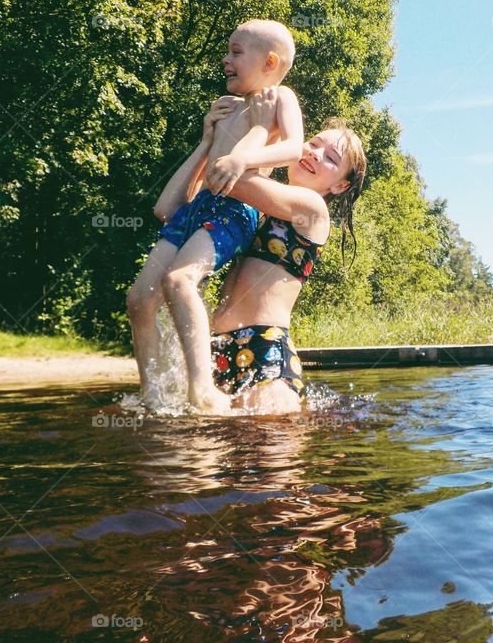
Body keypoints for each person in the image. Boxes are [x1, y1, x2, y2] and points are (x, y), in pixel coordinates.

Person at [151, 87, 367, 415]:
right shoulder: (258, 209)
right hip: (221, 352)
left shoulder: (312, 208)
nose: (314, 154)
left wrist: (261, 126)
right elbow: (173, 210)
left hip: (265, 351)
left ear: (339, 186)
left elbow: (229, 178)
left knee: (269, 460)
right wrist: (207, 142)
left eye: (330, 159)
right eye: (314, 144)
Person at [127, 20, 304, 410]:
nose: (225, 59)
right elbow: (166, 207)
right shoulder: (227, 109)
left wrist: (244, 157)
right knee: (139, 298)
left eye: (236, 52)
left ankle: (203, 389)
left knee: (179, 280)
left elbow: (294, 148)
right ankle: (153, 395)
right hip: (197, 207)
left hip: (231, 209)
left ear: (269, 61)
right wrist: (207, 137)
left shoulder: (279, 98)